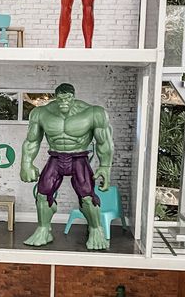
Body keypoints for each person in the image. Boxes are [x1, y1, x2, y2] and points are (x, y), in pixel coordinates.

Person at [20, 83, 114, 250]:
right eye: (60, 99)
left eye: (67, 98)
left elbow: (104, 142)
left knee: (87, 195)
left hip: (79, 157)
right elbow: (32, 141)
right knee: (42, 193)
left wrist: (105, 166)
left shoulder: (93, 113)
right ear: (55, 98)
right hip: (55, 157)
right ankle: (43, 229)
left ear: (73, 97)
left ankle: (95, 229)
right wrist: (26, 163)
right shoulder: (41, 113)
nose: (63, 102)